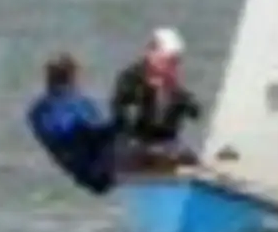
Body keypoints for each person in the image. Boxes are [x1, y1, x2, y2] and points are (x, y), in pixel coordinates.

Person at [26, 53, 117, 195]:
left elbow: (96, 125)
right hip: (86, 162)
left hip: (98, 155)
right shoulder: (43, 109)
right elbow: (64, 136)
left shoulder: (81, 101)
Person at [111, 27, 202, 169]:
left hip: (166, 142)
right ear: (151, 54)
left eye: (175, 62)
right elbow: (126, 112)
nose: (171, 66)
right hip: (135, 141)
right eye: (168, 61)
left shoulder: (172, 84)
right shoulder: (131, 78)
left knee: (190, 160)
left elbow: (195, 112)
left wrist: (175, 92)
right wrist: (149, 88)